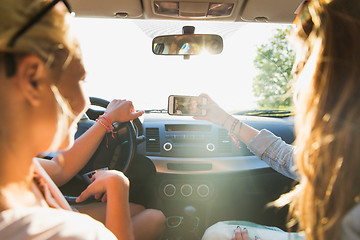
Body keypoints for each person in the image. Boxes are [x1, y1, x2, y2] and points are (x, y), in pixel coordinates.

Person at [199, 0, 360, 239]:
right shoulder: (342, 149)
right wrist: (224, 119)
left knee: (217, 234)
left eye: (305, 58)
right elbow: (287, 158)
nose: (295, 72)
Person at [1, 0, 133, 239]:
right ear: (33, 78)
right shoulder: (68, 234)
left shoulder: (23, 170)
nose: (85, 104)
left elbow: (61, 168)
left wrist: (106, 120)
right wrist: (118, 186)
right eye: (80, 78)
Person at [39, 99, 166, 240]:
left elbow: (60, 167)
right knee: (155, 218)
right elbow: (60, 167)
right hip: (54, 221)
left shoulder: (24, 166)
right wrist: (116, 184)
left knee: (140, 211)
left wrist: (106, 119)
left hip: (52, 211)